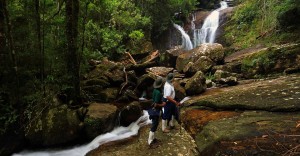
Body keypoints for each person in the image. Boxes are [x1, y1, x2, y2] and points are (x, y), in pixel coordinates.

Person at [147, 76, 165, 148]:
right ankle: (150, 141)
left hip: (154, 109)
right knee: (154, 124)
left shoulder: (155, 90)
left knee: (155, 123)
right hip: (156, 110)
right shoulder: (158, 93)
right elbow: (156, 104)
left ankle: (153, 138)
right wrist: (163, 104)